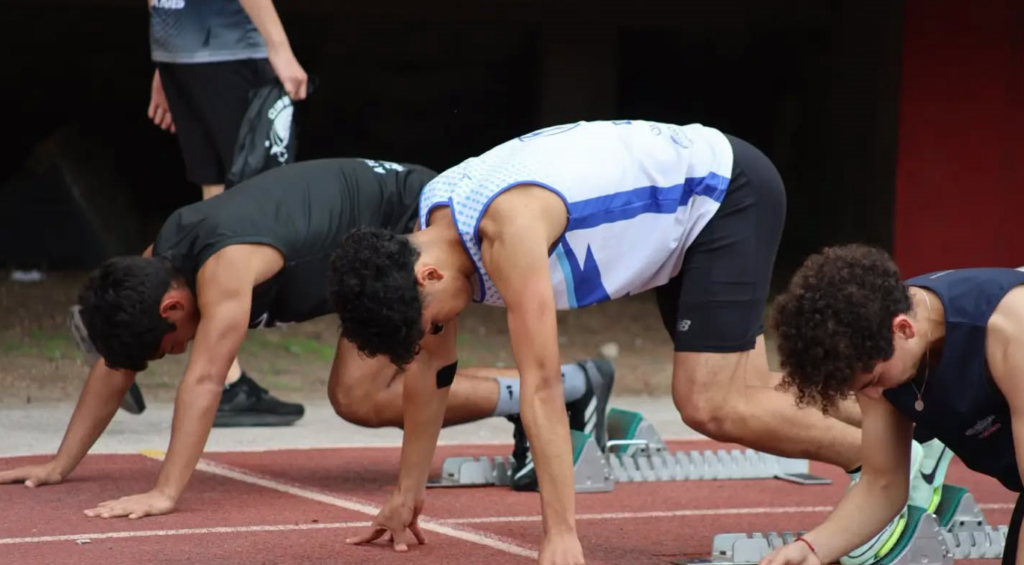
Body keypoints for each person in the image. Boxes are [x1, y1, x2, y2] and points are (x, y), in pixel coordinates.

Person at [327, 120, 946, 565]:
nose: (439, 333)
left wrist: (562, 535)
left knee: (709, 403)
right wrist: (406, 495)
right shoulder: (431, 229)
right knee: (748, 394)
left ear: (427, 276)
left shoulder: (506, 231)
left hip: (722, 194)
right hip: (687, 215)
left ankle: (891, 469)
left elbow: (542, 387)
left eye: (431, 323)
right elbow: (434, 373)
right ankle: (926, 427)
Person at [0, 158, 614, 521]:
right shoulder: (159, 260)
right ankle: (569, 390)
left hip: (407, 228)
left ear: (175, 306)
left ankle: (564, 390)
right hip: (362, 222)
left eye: (170, 345)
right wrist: (62, 462)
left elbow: (207, 382)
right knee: (358, 398)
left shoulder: (226, 267)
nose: (176, 353)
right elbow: (118, 360)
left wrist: (165, 492)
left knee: (361, 396)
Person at [759, 245, 1019, 565]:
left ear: (904, 329)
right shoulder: (877, 342)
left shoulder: (1010, 331)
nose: (871, 397)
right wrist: (810, 549)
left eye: (872, 382)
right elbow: (882, 485)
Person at [140, 0, 309, 418]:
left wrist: (166, 60)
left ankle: (226, 378)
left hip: (184, 52)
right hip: (228, 51)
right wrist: (280, 48)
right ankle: (116, 319)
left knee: (217, 204)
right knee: (238, 213)